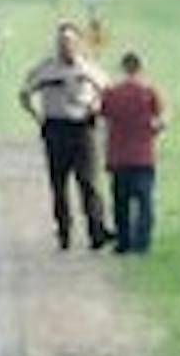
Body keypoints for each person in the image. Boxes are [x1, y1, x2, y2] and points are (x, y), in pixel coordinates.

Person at [18, 22, 112, 252]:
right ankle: (64, 231)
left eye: (70, 42)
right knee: (59, 184)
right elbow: (24, 93)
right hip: (56, 127)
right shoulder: (46, 69)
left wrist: (96, 107)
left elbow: (107, 91)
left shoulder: (88, 68)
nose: (65, 46)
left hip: (82, 128)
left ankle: (96, 231)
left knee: (88, 182)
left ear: (78, 44)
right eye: (61, 42)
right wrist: (37, 116)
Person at [100, 51, 167, 255]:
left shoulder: (111, 93)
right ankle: (142, 243)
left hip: (118, 156)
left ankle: (124, 241)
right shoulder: (149, 92)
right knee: (144, 203)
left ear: (123, 68)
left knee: (121, 203)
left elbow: (102, 114)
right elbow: (161, 120)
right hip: (143, 156)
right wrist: (153, 131)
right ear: (140, 69)